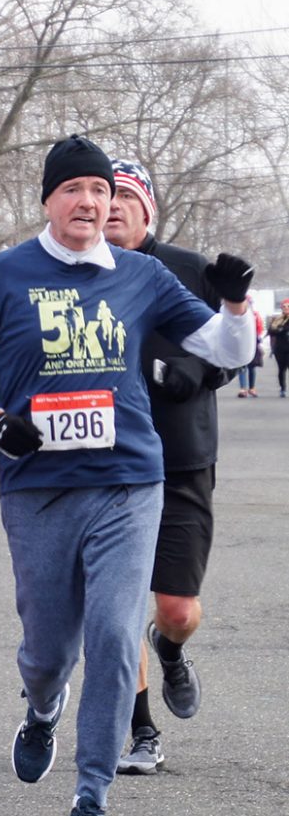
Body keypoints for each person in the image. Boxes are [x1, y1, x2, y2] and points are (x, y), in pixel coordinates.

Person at [0, 134, 255, 816]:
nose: (89, 203)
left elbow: (226, 352)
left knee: (114, 636)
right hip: (39, 487)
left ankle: (90, 800)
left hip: (128, 481)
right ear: (48, 201)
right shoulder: (2, 274)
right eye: (73, 190)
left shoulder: (141, 276)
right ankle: (42, 708)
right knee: (48, 650)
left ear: (115, 203)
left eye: (101, 193)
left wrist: (236, 305)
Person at [105, 159, 246, 775]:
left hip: (184, 457)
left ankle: (171, 651)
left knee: (176, 610)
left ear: (148, 210)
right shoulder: (74, 276)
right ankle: (141, 731)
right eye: (101, 195)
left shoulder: (188, 270)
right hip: (105, 464)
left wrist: (196, 372)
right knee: (118, 605)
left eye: (124, 198)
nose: (110, 207)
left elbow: (236, 349)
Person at [236, 296, 264, 396]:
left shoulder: (255, 315)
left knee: (252, 367)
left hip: (253, 343)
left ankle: (252, 388)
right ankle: (243, 389)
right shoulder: (237, 315)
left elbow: (260, 329)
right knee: (242, 367)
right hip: (241, 343)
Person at [267, 298, 289, 397]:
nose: (286, 308)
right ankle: (283, 388)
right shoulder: (277, 319)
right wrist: (280, 330)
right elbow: (271, 331)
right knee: (281, 369)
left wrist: (280, 329)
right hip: (280, 348)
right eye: (284, 306)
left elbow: (282, 330)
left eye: (288, 306)